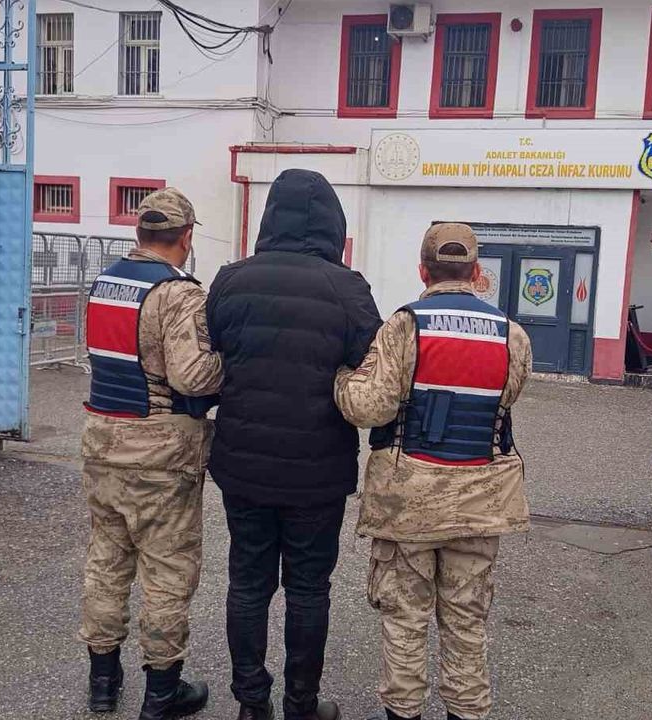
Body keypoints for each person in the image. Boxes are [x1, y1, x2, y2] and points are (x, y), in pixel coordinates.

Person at [333, 223, 533, 720]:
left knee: (405, 617)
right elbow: (508, 397)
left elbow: (370, 408)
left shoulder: (405, 326)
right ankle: (466, 711)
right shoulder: (511, 333)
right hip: (480, 499)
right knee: (467, 620)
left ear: (423, 271)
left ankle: (404, 711)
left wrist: (342, 380)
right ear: (477, 272)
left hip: (409, 500)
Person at [205, 169, 382, 720]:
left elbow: (215, 349)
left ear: (269, 218)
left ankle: (251, 705)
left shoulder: (230, 280)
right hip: (317, 471)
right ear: (332, 223)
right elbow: (371, 364)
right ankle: (301, 705)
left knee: (247, 582)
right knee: (308, 588)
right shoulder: (348, 288)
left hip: (243, 464)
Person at [79, 187, 222, 718]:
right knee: (167, 572)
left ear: (139, 232)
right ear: (186, 237)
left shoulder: (104, 282)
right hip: (160, 448)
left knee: (107, 560)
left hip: (102, 439)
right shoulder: (178, 293)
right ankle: (162, 693)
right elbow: (192, 376)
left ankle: (102, 681)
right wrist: (230, 368)